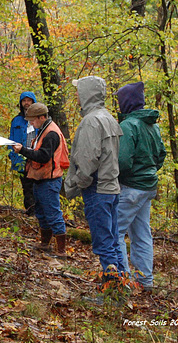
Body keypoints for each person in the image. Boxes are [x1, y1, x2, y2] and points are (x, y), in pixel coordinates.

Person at [65, 76, 125, 279]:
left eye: (78, 91)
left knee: (104, 243)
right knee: (113, 240)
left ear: (87, 93)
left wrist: (78, 184)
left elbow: (87, 161)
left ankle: (112, 292)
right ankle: (120, 284)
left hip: (98, 189)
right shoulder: (108, 117)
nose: (76, 96)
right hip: (111, 188)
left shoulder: (91, 121)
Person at [115, 82, 167, 290]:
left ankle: (122, 282)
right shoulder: (152, 125)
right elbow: (161, 155)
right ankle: (145, 281)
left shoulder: (129, 126)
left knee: (114, 233)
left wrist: (117, 176)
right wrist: (149, 171)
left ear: (126, 102)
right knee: (142, 234)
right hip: (147, 187)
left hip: (131, 188)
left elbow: (123, 162)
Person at [12, 103, 69, 255]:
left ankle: (61, 250)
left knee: (53, 213)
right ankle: (45, 244)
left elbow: (44, 156)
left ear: (42, 117)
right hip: (40, 178)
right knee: (42, 213)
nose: (30, 123)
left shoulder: (51, 134)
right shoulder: (43, 129)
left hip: (49, 180)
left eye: (32, 120)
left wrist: (23, 150)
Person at [8, 92, 38, 216]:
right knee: (26, 186)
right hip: (21, 158)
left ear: (33, 102)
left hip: (36, 158)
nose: (26, 103)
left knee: (36, 186)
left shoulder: (39, 119)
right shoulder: (16, 121)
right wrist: (13, 157)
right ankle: (30, 211)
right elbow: (11, 139)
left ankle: (38, 212)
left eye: (29, 100)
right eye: (24, 100)